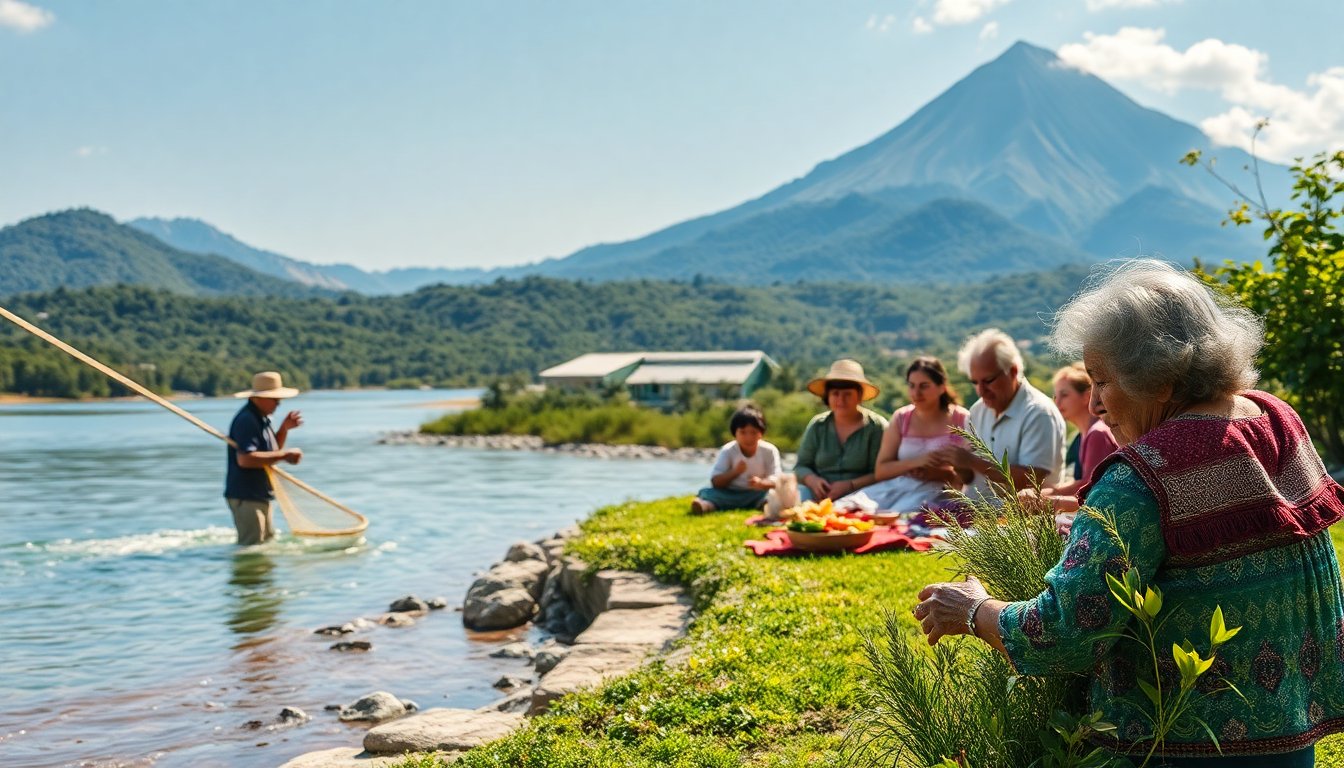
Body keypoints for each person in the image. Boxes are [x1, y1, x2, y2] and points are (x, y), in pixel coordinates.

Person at [914, 260, 1344, 765]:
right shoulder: (1275, 421)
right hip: (1292, 741)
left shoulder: (1142, 476)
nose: (1094, 403)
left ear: (1160, 378)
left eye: (1102, 381)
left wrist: (972, 609)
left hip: (1183, 748)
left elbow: (1064, 634)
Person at [931, 329, 1065, 503]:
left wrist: (971, 461)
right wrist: (958, 464)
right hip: (976, 517)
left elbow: (1032, 480)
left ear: (1013, 371)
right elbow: (971, 479)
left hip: (1019, 523)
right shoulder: (978, 410)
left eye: (988, 381)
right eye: (975, 382)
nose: (981, 390)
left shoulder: (1039, 413)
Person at [856, 356, 971, 512]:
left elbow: (974, 474)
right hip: (898, 489)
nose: (916, 392)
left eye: (924, 386)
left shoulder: (961, 419)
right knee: (849, 508)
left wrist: (942, 474)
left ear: (942, 387)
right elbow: (881, 471)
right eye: (912, 386)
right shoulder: (901, 418)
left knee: (902, 516)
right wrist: (915, 462)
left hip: (939, 494)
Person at [1019, 363, 1120, 521]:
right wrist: (1046, 492)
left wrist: (1045, 500)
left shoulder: (1097, 434)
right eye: (1055, 396)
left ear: (1087, 396)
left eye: (1064, 395)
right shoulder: (1087, 433)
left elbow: (1090, 491)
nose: (1057, 402)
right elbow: (1082, 483)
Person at [225, 371, 304, 545]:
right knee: (251, 546)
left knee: (265, 544)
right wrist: (285, 455)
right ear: (258, 398)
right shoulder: (247, 420)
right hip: (246, 495)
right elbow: (245, 459)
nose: (278, 403)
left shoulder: (262, 419)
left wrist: (284, 429)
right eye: (274, 398)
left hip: (259, 494)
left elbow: (271, 451)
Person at [793, 359, 888, 502]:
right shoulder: (818, 425)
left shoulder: (876, 427)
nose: (841, 400)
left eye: (847, 394)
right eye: (835, 394)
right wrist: (812, 480)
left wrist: (850, 485)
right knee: (799, 495)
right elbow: (801, 466)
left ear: (859, 396)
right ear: (828, 397)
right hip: (819, 493)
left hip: (862, 493)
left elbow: (881, 472)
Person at [691, 405, 781, 514]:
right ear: (735, 433)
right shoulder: (728, 450)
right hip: (729, 493)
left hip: (757, 493)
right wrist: (735, 472)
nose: (748, 437)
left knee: (773, 494)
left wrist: (761, 483)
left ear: (761, 433)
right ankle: (705, 506)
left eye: (753, 432)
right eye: (743, 432)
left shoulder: (769, 450)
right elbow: (715, 482)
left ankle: (766, 506)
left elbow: (777, 479)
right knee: (708, 493)